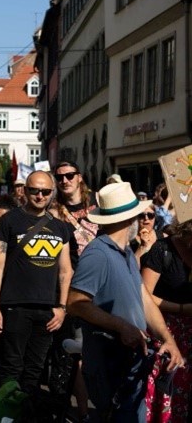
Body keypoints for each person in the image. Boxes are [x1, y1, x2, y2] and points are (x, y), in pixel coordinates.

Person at [67, 181, 184, 422]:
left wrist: (168, 339)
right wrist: (122, 326)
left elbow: (144, 298)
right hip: (109, 364)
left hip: (130, 362)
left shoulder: (127, 252)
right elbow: (76, 302)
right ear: (129, 219)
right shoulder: (98, 254)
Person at [0, 170, 73, 393]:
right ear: (25, 191)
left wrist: (62, 307)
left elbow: (65, 271)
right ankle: (5, 415)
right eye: (34, 190)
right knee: (11, 367)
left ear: (52, 193)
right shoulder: (9, 221)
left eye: (45, 191)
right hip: (16, 305)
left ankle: (26, 413)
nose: (39, 196)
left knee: (35, 371)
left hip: (47, 310)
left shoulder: (60, 227)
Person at [141, 219, 192, 421]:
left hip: (189, 336)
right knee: (161, 391)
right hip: (163, 330)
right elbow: (144, 294)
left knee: (183, 392)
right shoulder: (163, 249)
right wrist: (181, 309)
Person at [129, 202, 163, 268]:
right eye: (141, 215)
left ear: (155, 217)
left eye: (150, 215)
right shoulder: (128, 240)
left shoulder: (164, 237)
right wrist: (141, 247)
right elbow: (131, 268)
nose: (146, 218)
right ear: (136, 217)